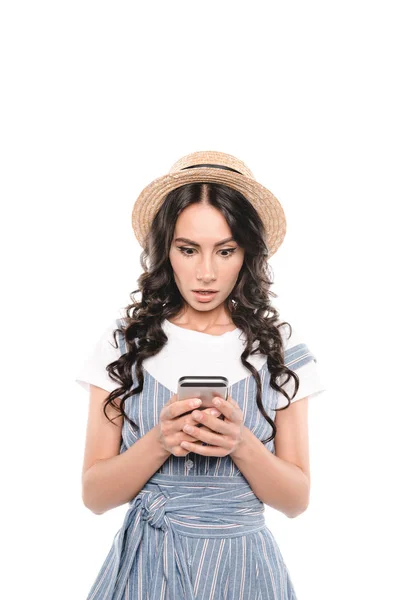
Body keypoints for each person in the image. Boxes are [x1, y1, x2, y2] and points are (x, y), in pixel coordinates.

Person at [75, 150, 326, 599]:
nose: (205, 273)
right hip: (149, 566)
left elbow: (296, 500)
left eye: (225, 251)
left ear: (246, 252)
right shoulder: (122, 345)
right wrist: (160, 441)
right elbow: (94, 496)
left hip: (244, 571)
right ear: (165, 250)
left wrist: (240, 444)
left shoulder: (280, 349)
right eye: (188, 250)